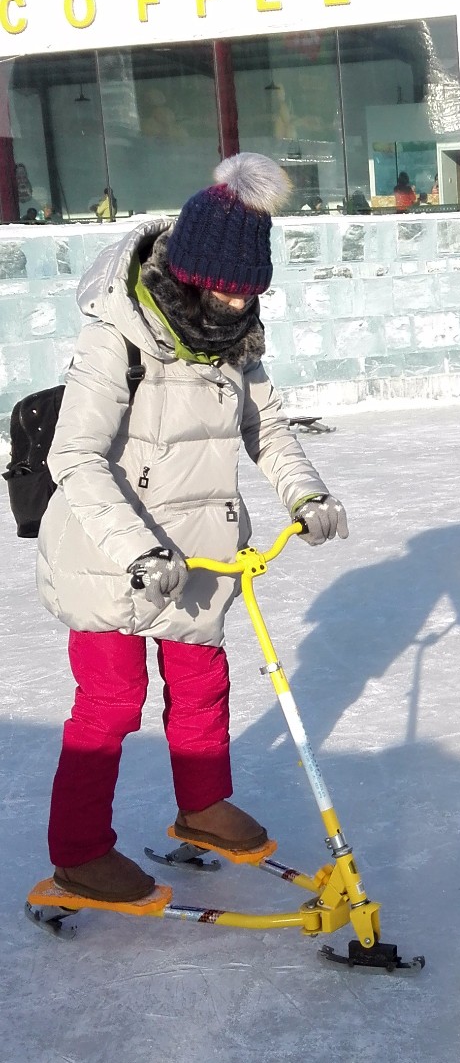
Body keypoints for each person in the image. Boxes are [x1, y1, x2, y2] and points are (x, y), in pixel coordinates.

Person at [38, 152, 349, 905]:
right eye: (226, 292)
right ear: (187, 272)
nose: (238, 310)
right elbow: (72, 454)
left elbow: (268, 429)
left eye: (250, 296)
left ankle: (202, 807)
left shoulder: (235, 340)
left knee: (204, 683)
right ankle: (79, 853)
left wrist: (306, 496)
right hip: (110, 550)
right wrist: (136, 549)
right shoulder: (117, 333)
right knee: (111, 703)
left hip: (199, 546)